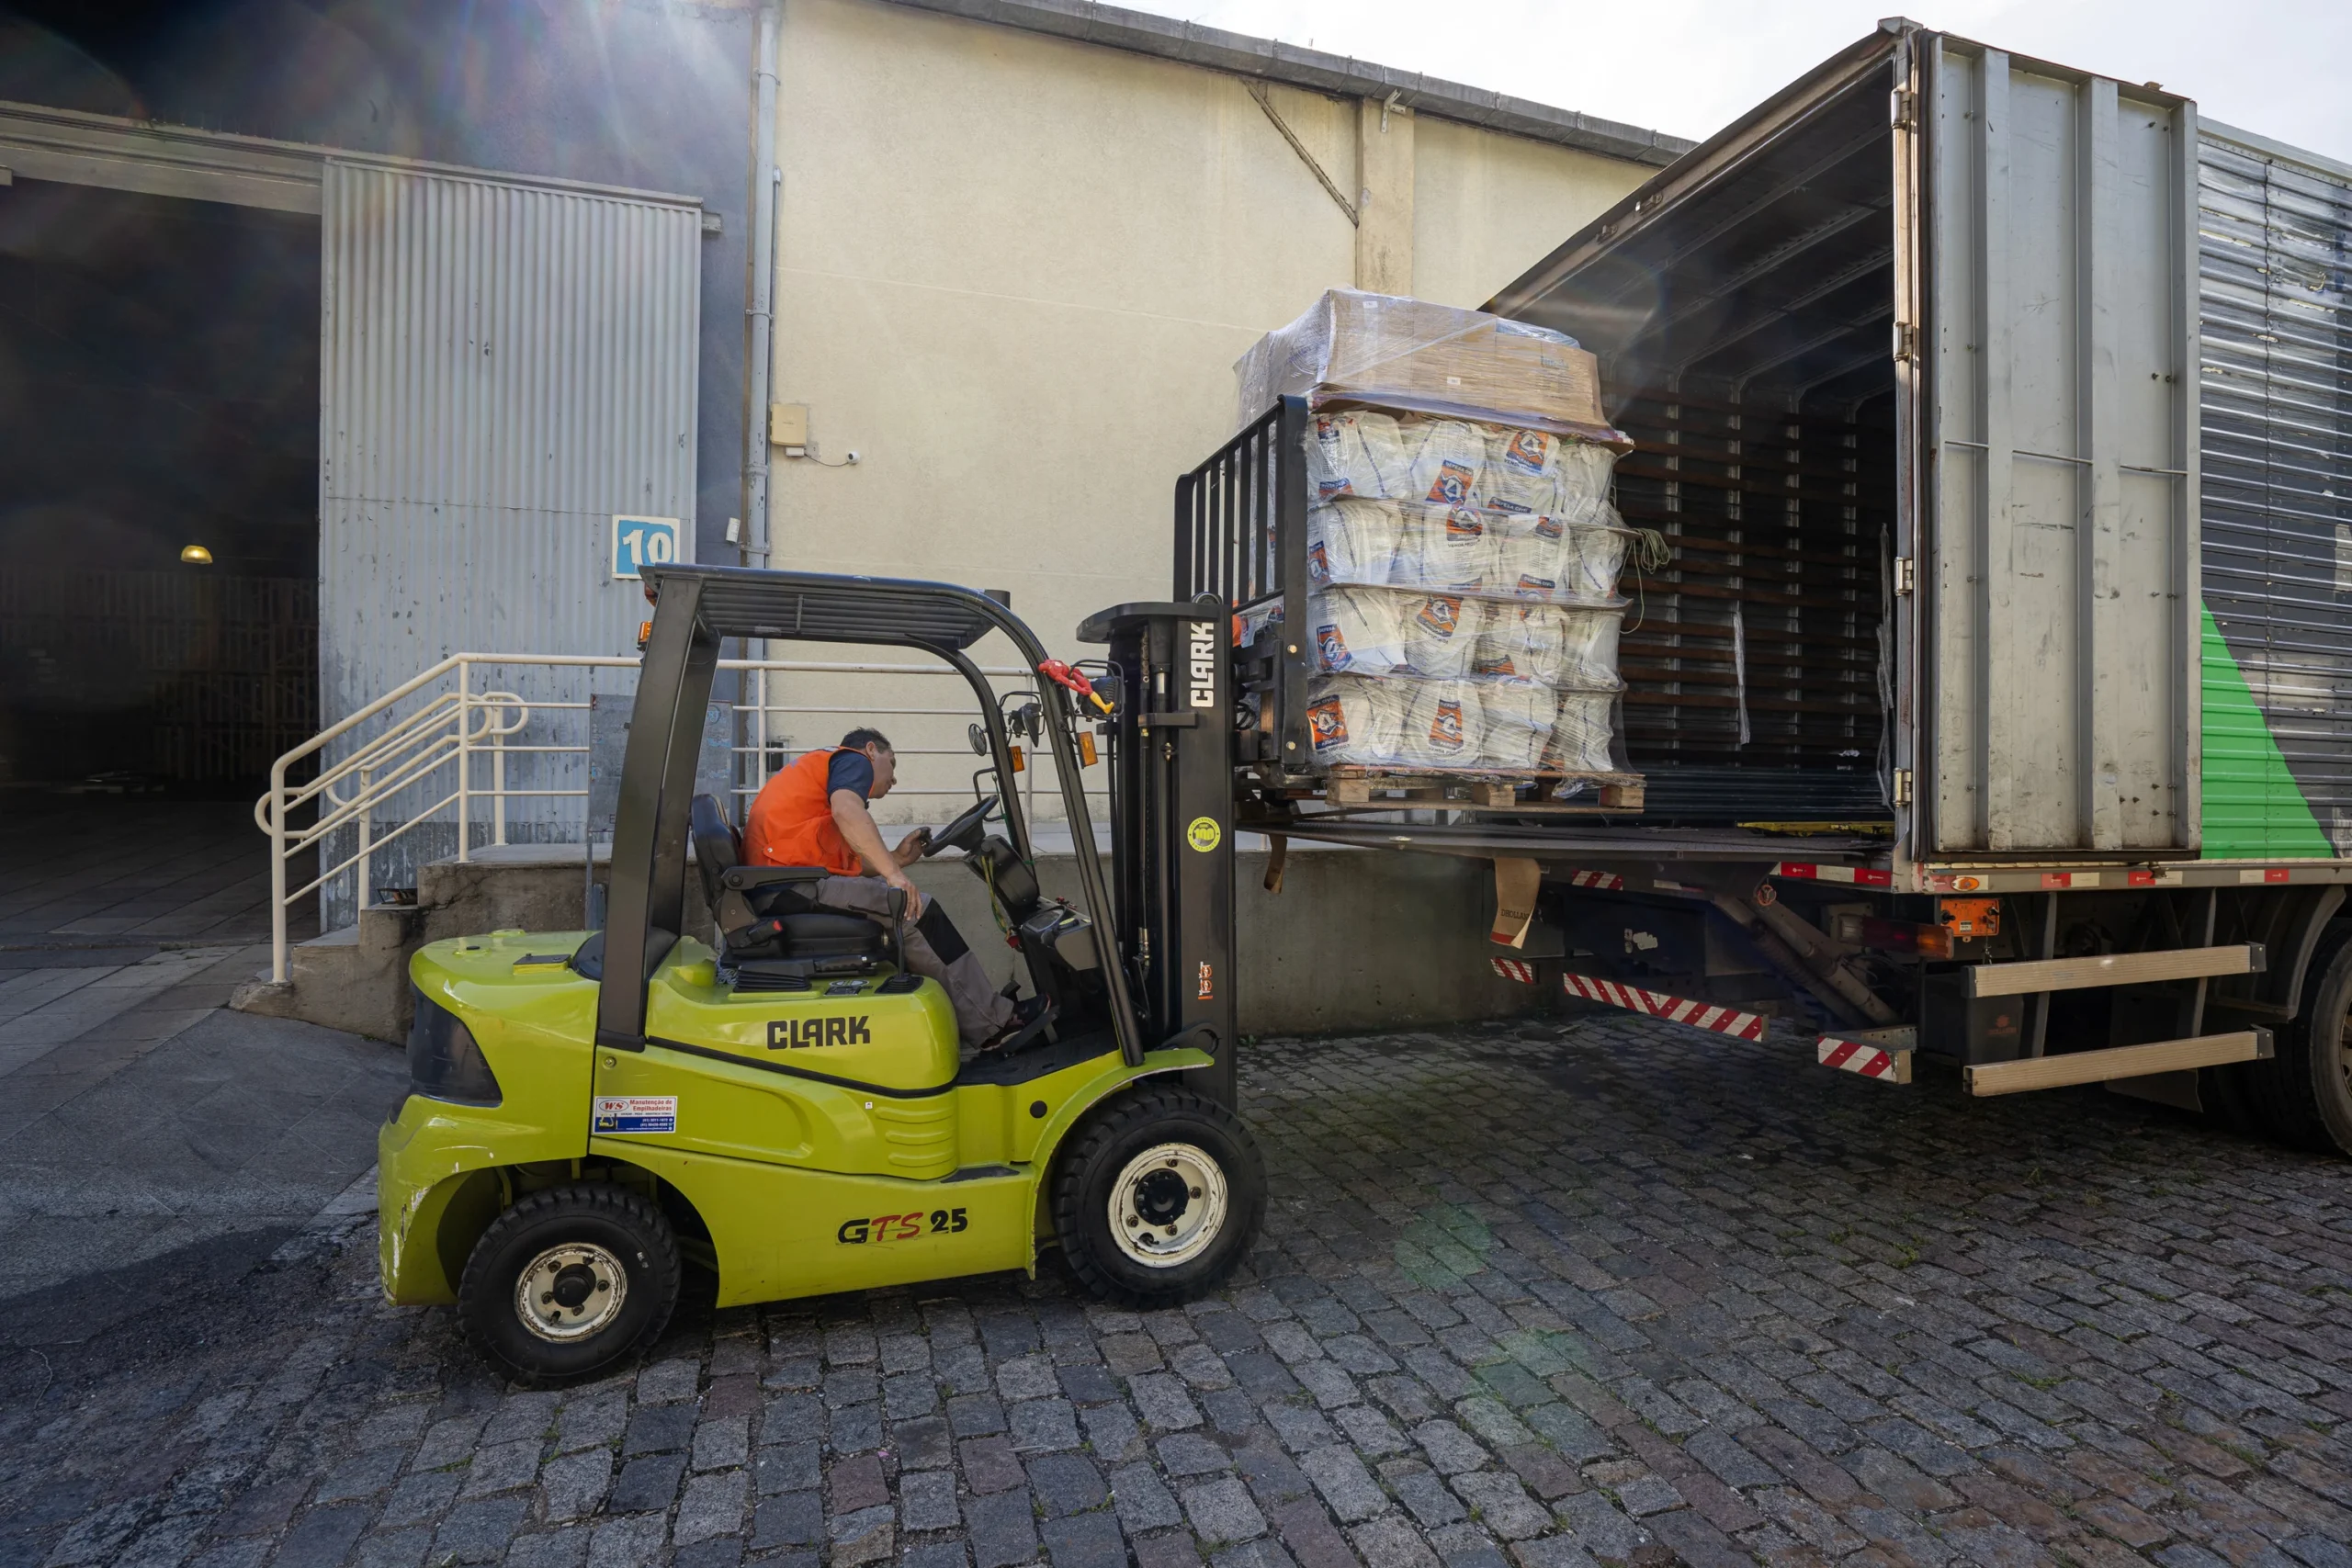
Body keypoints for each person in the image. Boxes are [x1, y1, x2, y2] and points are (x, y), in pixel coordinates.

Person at [743, 728, 1022, 1047]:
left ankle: (966, 1015)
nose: (894, 779)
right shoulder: (852, 760)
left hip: (784, 882)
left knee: (903, 903)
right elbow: (847, 811)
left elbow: (842, 865)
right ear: (872, 751)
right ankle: (992, 1024)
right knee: (918, 912)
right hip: (787, 885)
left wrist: (896, 860)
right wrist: (894, 876)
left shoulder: (818, 781)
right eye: (892, 763)